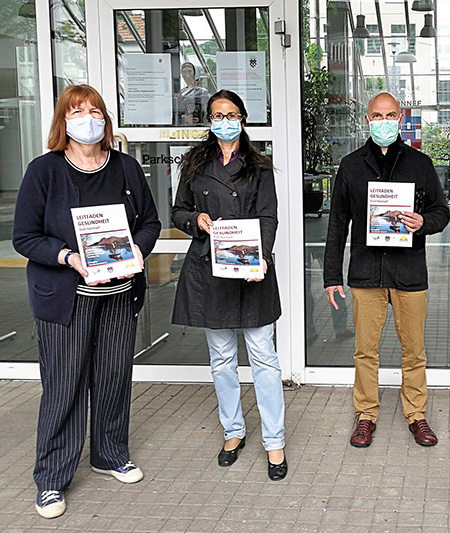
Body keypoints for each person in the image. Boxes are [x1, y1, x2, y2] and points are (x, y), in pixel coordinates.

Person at [12, 85, 161, 519]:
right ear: (63, 121)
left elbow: (149, 222)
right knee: (64, 386)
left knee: (114, 376)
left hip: (118, 294)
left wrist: (137, 250)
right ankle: (52, 478)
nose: (88, 119)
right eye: (77, 112)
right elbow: (25, 237)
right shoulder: (45, 171)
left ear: (105, 120)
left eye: (95, 111)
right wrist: (68, 256)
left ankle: (110, 454)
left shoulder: (126, 167)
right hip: (67, 297)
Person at [171, 90, 287, 481]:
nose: (224, 120)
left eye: (232, 114)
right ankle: (233, 430)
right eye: (218, 114)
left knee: (264, 359)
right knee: (221, 360)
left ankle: (275, 441)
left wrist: (262, 257)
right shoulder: (194, 163)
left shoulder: (259, 166)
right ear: (209, 120)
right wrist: (196, 221)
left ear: (243, 118)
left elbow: (268, 217)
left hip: (251, 270)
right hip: (209, 271)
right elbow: (178, 210)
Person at [324, 92, 450, 448]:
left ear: (401, 119)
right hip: (366, 274)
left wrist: (422, 221)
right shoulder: (350, 165)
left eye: (390, 115)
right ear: (367, 120)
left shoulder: (420, 164)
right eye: (377, 115)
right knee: (365, 350)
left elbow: (442, 212)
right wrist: (332, 277)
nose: (383, 121)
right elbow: (337, 225)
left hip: (409, 273)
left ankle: (417, 414)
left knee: (414, 351)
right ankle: (366, 415)